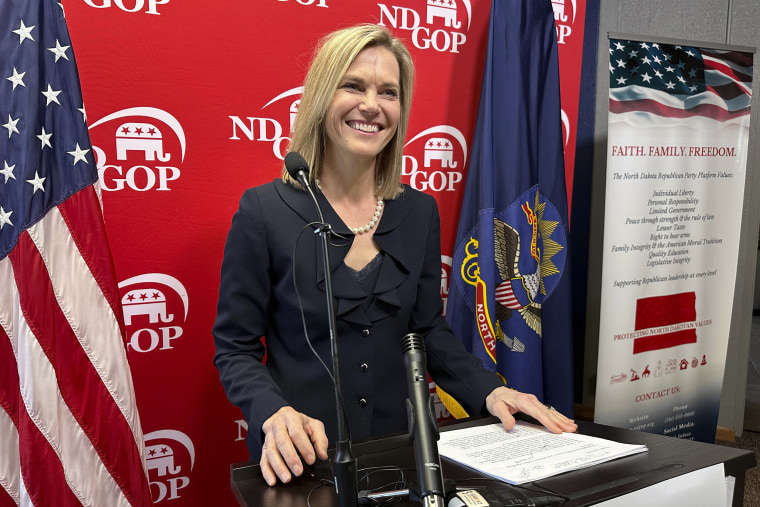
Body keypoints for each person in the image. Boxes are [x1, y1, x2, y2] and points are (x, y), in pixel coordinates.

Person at [212, 23, 577, 488]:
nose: (371, 105)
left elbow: (426, 330)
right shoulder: (263, 210)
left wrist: (491, 389)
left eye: (389, 92)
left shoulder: (419, 211)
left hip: (398, 458)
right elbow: (235, 347)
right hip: (298, 462)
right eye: (353, 86)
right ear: (323, 96)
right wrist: (272, 411)